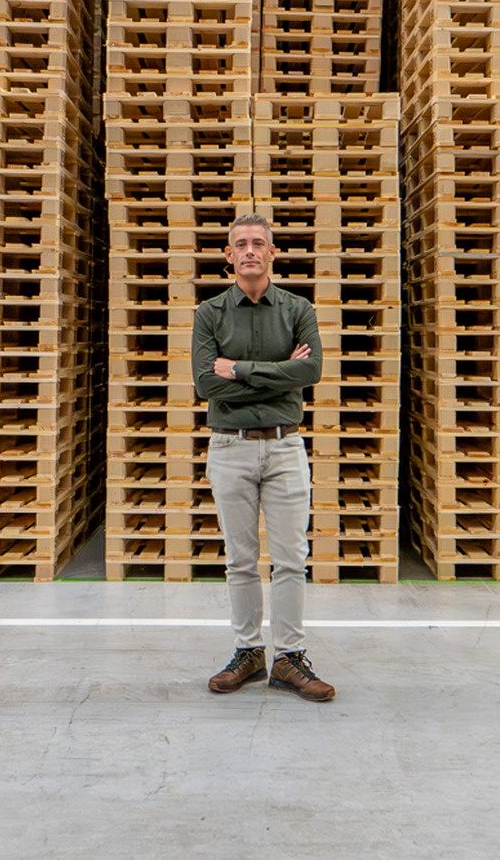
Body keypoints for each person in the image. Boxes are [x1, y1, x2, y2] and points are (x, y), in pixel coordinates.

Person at [192, 212, 335, 702]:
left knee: (292, 559)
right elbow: (205, 384)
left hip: (284, 446)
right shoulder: (210, 313)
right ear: (229, 255)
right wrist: (279, 373)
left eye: (258, 243)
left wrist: (239, 370)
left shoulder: (297, 309)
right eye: (241, 244)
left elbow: (311, 372)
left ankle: (289, 658)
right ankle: (248, 652)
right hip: (229, 447)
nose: (250, 250)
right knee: (241, 560)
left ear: (272, 253)